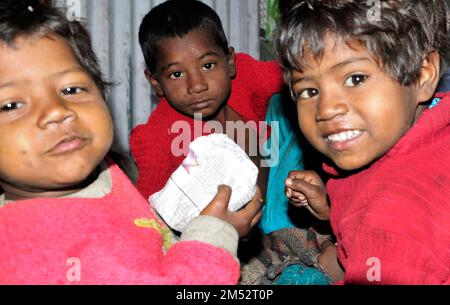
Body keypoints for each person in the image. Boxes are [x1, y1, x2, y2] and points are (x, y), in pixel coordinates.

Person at [0, 0, 262, 285]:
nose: (56, 111)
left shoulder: (100, 171)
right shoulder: (27, 253)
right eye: (11, 105)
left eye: (71, 89)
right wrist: (214, 232)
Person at [278, 0, 450, 284]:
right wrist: (336, 206)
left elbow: (393, 229)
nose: (327, 109)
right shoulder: (433, 123)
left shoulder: (389, 224)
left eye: (356, 79)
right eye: (309, 91)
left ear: (423, 74)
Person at [130, 0, 283, 202]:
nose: (197, 86)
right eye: (176, 74)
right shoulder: (159, 139)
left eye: (208, 65)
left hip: (282, 196)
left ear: (230, 62)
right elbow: (146, 215)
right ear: (156, 82)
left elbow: (297, 76)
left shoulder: (247, 77)